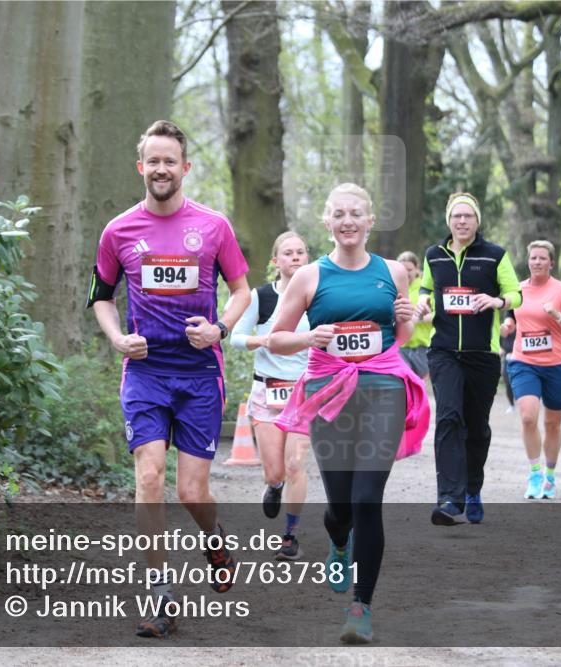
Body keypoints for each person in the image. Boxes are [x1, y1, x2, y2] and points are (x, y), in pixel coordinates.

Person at [87, 120, 251, 638]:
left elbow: (243, 290)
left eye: (170, 161)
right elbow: (100, 297)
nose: (161, 169)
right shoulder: (118, 231)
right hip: (146, 371)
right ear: (142, 167)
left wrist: (220, 327)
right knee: (150, 477)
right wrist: (117, 337)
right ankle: (159, 596)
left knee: (190, 490)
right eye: (152, 161)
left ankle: (214, 537)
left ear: (185, 167)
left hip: (201, 373)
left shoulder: (214, 226)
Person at [268, 183, 429, 645]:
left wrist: (407, 317)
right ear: (327, 222)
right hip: (327, 391)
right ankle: (339, 542)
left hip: (382, 387)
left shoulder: (393, 271)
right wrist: (308, 337)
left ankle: (361, 606)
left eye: (356, 213)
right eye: (339, 214)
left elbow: (400, 333)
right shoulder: (309, 277)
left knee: (366, 499)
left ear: (370, 220)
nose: (347, 221)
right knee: (340, 507)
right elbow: (277, 337)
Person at [415, 192, 521, 526]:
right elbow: (426, 290)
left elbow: (517, 293)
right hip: (444, 351)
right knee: (448, 418)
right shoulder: (434, 255)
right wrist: (422, 304)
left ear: (477, 221)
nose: (462, 221)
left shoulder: (494, 256)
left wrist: (497, 301)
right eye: (456, 216)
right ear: (449, 220)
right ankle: (449, 498)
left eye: (468, 216)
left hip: (482, 355)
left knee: (476, 428)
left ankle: (472, 488)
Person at [229, 231, 312, 560]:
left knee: (295, 464)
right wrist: (261, 341)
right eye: (288, 253)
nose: (295, 257)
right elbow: (235, 336)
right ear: (275, 262)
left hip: (303, 390)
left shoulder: (317, 296)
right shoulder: (260, 297)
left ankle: (290, 535)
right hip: (267, 390)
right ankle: (274, 487)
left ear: (307, 259)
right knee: (275, 471)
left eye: (301, 252)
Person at [500, 240, 561, 500]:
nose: (537, 262)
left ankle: (550, 476)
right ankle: (535, 472)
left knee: (552, 423)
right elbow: (512, 315)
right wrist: (507, 324)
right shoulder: (517, 289)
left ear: (551, 263)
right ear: (528, 261)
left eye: (542, 258)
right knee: (528, 416)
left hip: (557, 365)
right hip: (523, 362)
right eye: (533, 258)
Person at [396, 251, 433, 380]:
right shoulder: (395, 288)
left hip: (423, 347)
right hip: (401, 347)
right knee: (405, 384)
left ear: (417, 269)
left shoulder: (425, 288)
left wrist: (418, 318)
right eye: (402, 269)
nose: (406, 273)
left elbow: (439, 315)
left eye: (409, 269)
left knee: (419, 386)